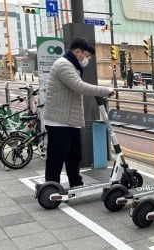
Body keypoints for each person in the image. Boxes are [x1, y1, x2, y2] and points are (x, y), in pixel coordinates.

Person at [43, 38, 115, 188]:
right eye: (86, 56)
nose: (87, 60)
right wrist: (105, 90)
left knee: (74, 157)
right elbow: (79, 86)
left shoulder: (72, 66)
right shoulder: (63, 65)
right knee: (56, 158)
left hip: (69, 120)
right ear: (77, 51)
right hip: (59, 121)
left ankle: (76, 184)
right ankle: (50, 188)